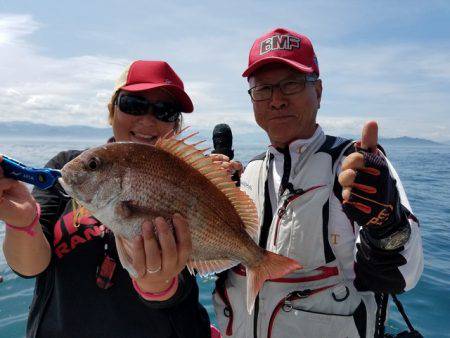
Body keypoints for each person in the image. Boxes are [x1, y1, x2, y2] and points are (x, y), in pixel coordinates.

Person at [213, 28, 423, 338]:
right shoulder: (248, 173)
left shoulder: (357, 167)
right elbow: (216, 265)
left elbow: (405, 276)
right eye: (263, 89)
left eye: (291, 84)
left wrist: (385, 224)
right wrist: (212, 210)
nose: (276, 100)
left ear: (319, 92)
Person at [0, 60, 211, 338]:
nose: (148, 119)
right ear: (112, 110)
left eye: (165, 111)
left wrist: (158, 285)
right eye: (133, 104)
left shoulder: (192, 179)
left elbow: (185, 284)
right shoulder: (70, 167)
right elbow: (30, 267)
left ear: (176, 125)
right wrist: (23, 222)